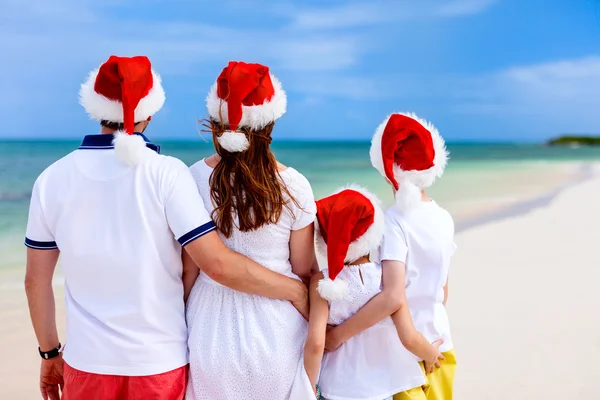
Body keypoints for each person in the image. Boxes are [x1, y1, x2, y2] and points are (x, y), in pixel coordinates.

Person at [23, 55, 308, 400]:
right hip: (159, 362)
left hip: (87, 363)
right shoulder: (168, 174)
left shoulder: (50, 180)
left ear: (94, 106)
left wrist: (49, 353)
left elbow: (35, 281)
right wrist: (296, 290)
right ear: (150, 111)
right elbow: (215, 264)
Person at [184, 61, 317, 400]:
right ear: (269, 122)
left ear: (218, 121)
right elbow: (303, 269)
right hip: (277, 330)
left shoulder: (192, 179)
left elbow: (187, 271)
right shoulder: (293, 186)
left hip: (207, 332)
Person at [324, 113, 457, 400]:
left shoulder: (393, 222)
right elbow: (443, 291)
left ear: (387, 168)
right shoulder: (444, 217)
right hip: (442, 340)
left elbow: (392, 297)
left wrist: (338, 335)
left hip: (406, 350)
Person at [304, 185, 443, 400]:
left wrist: (309, 388)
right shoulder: (386, 279)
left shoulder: (322, 283)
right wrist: (431, 354)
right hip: (381, 387)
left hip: (338, 388)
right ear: (373, 233)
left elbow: (315, 343)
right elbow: (409, 337)